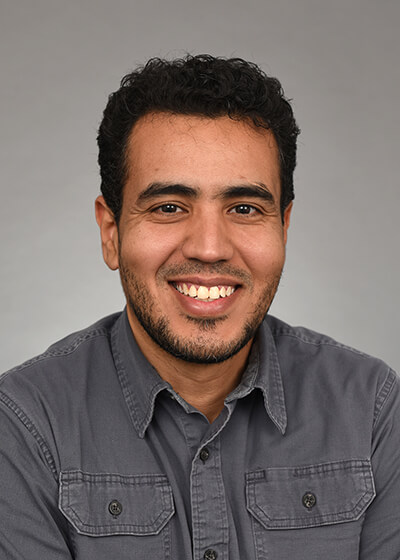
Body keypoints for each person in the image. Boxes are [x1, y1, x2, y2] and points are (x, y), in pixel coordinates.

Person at [0, 55, 399, 560]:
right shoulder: (24, 425)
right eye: (169, 207)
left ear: (284, 228)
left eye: (244, 208)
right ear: (111, 232)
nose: (209, 248)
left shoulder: (372, 409)